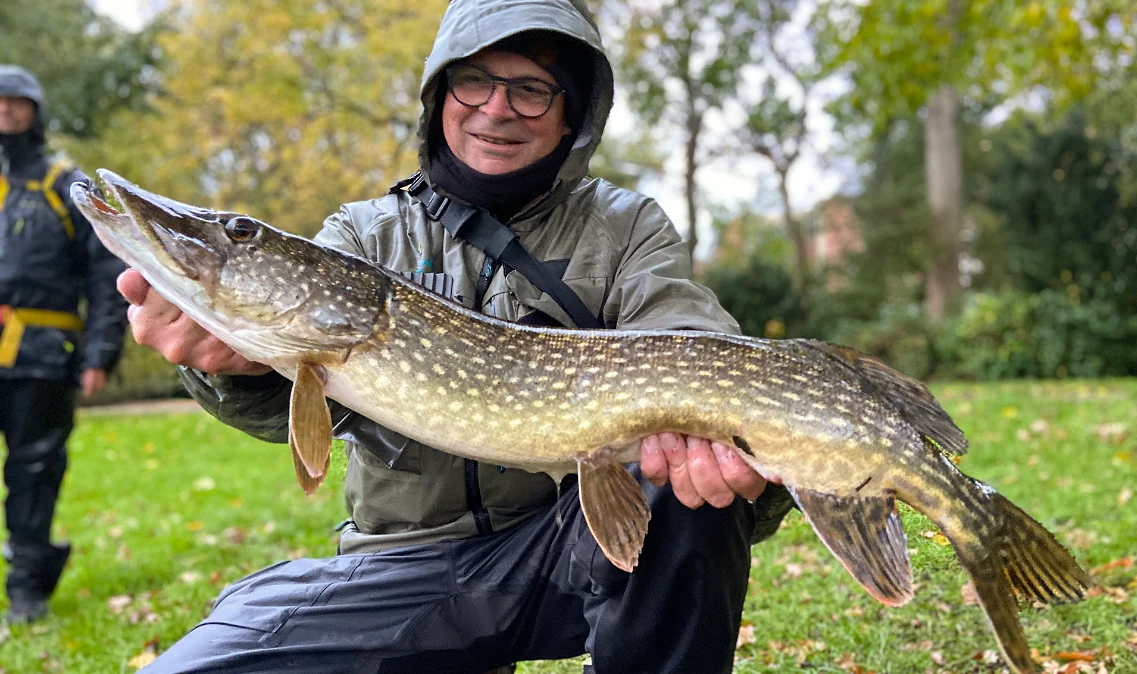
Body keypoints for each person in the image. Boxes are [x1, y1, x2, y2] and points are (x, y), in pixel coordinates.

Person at [122, 1, 791, 671]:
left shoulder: (624, 227)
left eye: (531, 90)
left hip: (561, 549)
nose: (496, 109)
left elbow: (689, 339)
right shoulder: (360, 238)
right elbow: (284, 403)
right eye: (474, 80)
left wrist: (738, 445)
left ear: (571, 115)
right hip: (398, 575)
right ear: (441, 94)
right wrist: (230, 367)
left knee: (683, 481)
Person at [0, 65, 129, 623]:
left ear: (35, 110)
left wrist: (101, 352)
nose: (5, 110)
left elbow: (107, 276)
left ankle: (27, 589)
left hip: (43, 353)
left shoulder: (65, 185)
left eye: (15, 102)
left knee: (34, 469)